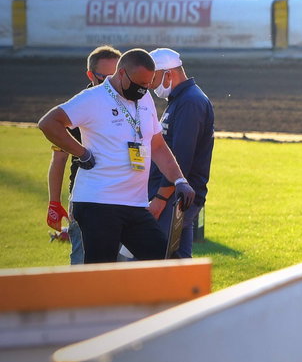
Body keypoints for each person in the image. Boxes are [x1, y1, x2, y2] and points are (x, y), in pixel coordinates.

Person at [37, 49, 196, 263]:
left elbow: (157, 146)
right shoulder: (92, 98)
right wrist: (82, 153)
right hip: (98, 203)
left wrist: (179, 180)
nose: (143, 90)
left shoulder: (145, 97)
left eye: (148, 84)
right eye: (139, 84)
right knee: (101, 273)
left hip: (135, 204)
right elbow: (48, 123)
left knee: (166, 261)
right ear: (122, 73)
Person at [45, 45, 120, 264]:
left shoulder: (133, 102)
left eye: (115, 77)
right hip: (87, 199)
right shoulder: (79, 107)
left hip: (124, 199)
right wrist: (54, 203)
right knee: (84, 263)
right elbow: (59, 159)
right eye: (103, 78)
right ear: (90, 75)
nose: (110, 84)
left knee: (120, 267)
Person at [146, 48, 214, 258]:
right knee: (178, 263)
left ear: (168, 73)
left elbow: (181, 159)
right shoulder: (180, 99)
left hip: (174, 199)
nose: (150, 84)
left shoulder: (190, 102)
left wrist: (160, 198)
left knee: (156, 260)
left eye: (153, 78)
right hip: (174, 197)